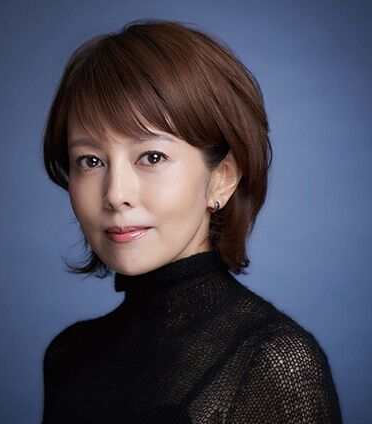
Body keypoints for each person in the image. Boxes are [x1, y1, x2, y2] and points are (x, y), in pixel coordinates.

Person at [41, 19, 342, 423]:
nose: (115, 194)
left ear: (222, 178)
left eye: (151, 157)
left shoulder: (272, 361)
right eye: (91, 161)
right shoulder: (69, 355)